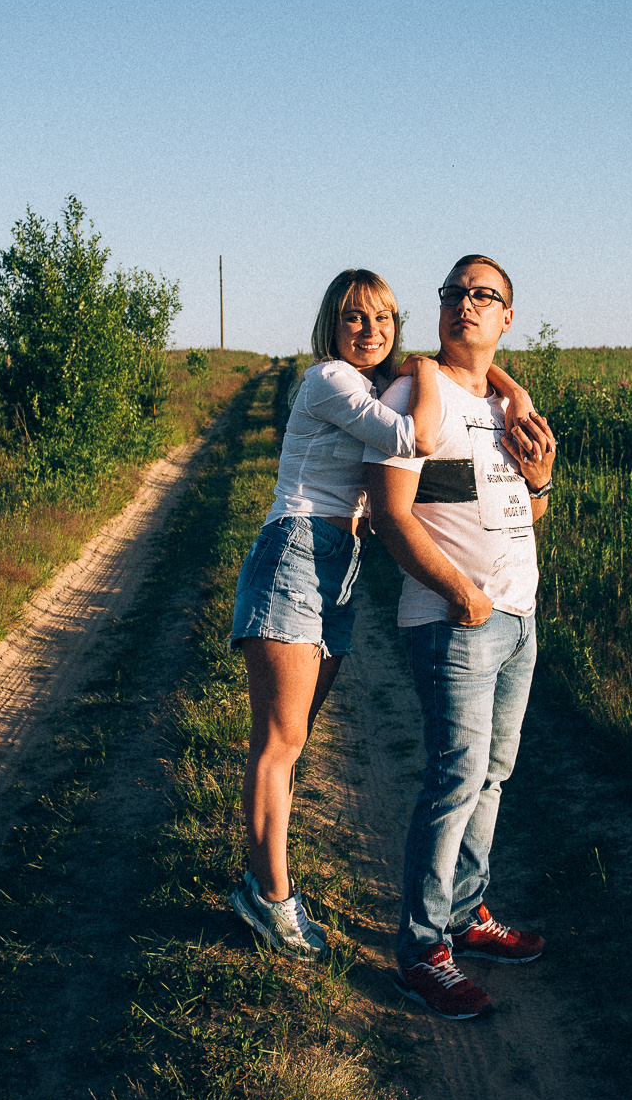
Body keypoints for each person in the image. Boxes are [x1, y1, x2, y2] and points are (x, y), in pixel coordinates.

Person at [228, 268, 535, 959]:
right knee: (279, 744)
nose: (370, 332)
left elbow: (478, 389)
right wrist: (428, 368)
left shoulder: (365, 388)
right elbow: (418, 438)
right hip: (296, 553)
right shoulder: (330, 382)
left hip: (337, 563)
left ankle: (267, 885)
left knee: (295, 737)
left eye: (384, 320)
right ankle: (269, 896)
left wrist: (510, 391)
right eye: (355, 319)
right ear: (331, 328)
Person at [363, 254, 557, 1019]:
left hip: (518, 617)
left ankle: (467, 915)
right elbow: (390, 514)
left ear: (506, 317)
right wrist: (462, 594)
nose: (465, 305)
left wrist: (539, 479)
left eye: (483, 296)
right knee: (454, 776)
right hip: (455, 621)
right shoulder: (417, 394)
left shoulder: (507, 406)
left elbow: (525, 511)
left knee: (493, 775)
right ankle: (421, 948)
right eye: (453, 294)